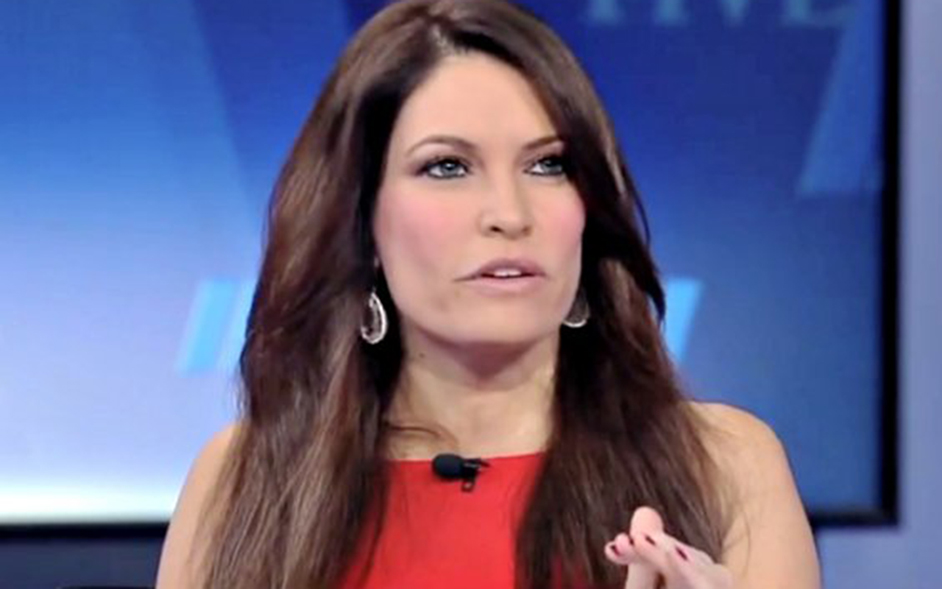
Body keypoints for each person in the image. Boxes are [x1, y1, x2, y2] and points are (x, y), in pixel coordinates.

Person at [155, 0, 821, 587]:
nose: (509, 212)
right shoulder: (243, 484)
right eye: (447, 166)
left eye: (548, 164)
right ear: (361, 221)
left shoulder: (726, 465)